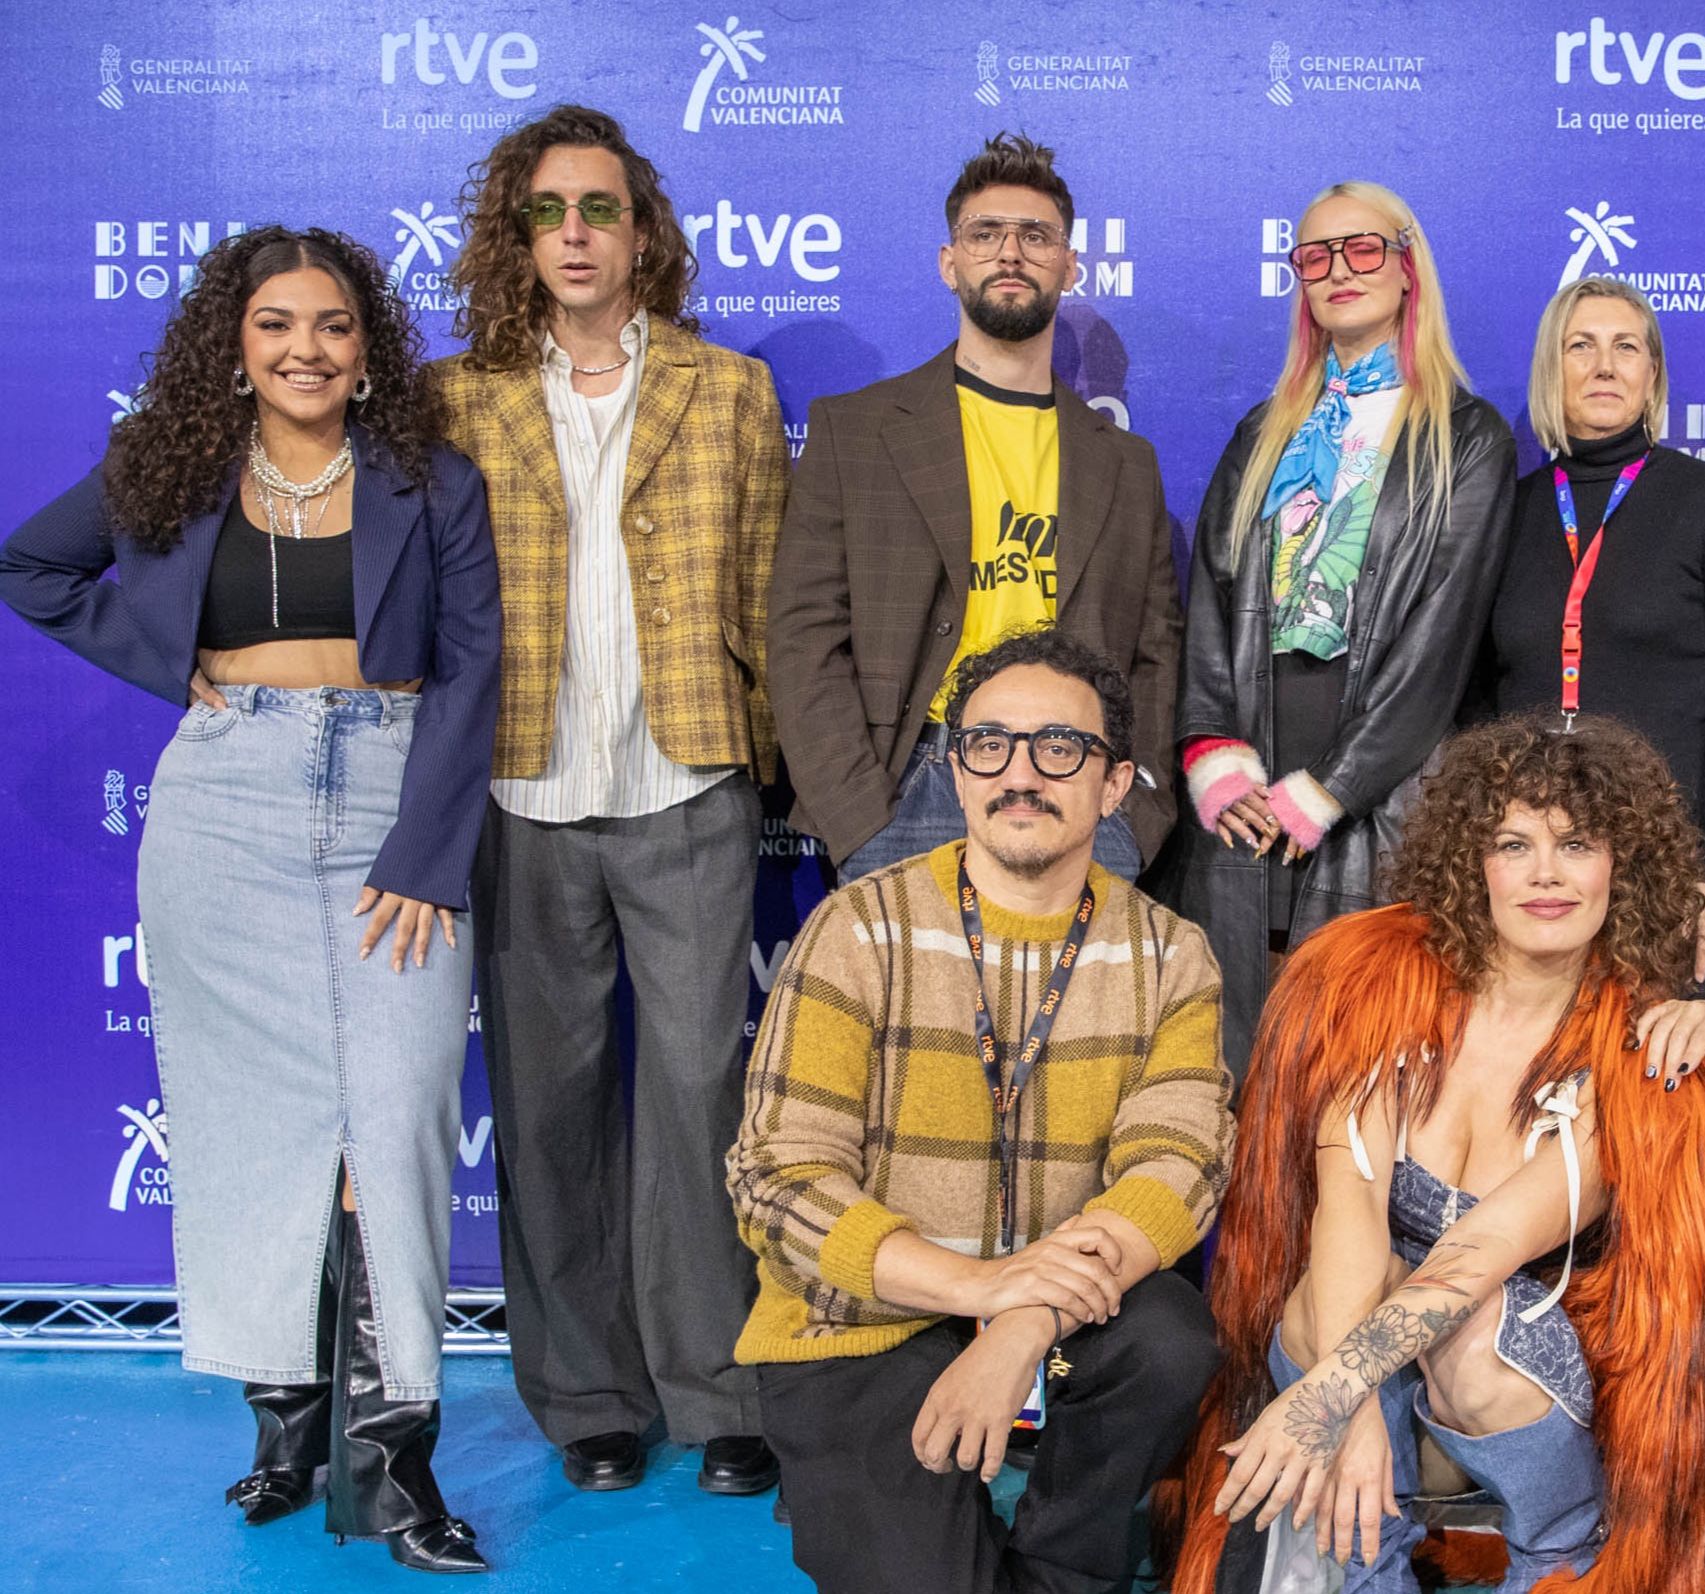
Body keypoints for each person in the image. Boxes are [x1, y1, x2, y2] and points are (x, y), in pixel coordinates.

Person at [0, 227, 498, 1574]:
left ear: (367, 346)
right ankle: (288, 1431)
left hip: (391, 792)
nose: (305, 349)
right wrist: (168, 661)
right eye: (276, 324)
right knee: (250, 1129)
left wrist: (425, 852)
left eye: (332, 324)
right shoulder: (160, 464)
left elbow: (474, 667)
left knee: (393, 1120)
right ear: (235, 341)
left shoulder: (428, 476)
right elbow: (31, 567)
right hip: (225, 805)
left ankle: (393, 1464)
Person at [1167, 715, 1705, 1594]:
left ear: (1623, 868)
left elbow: (1478, 1255)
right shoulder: (1380, 991)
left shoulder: (1631, 1057)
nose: (1545, 874)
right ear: (1471, 862)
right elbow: (1348, 1209)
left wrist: (1328, 1393)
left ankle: (1560, 1559)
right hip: (1366, 1343)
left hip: (1507, 1373)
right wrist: (1347, 1408)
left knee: (1478, 1332)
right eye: (1513, 843)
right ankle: (1366, 1571)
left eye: (1577, 844)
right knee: (1317, 1299)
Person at [430, 103, 787, 1498]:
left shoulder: (730, 388)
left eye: (598, 209)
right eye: (546, 212)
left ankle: (718, 1387)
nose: (573, 234)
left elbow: (766, 583)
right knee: (548, 1101)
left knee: (700, 1094)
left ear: (643, 231)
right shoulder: (457, 398)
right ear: (515, 236)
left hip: (686, 776)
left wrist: (776, 760)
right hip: (520, 785)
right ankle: (586, 1395)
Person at [729, 628, 1231, 1594]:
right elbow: (778, 1182)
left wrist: (1021, 1319)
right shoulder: (854, 928)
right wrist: (979, 1289)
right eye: (989, 746)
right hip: (871, 1314)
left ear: (1114, 785)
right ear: (956, 775)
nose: (1020, 774)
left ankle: (1066, 1566)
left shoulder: (1172, 954)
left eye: (1059, 747)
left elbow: (1179, 1167)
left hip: (1069, 1313)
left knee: (1167, 1342)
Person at [1170, 180, 1517, 1072]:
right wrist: (1215, 757)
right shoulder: (1263, 432)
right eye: (1314, 256)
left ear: (1406, 268)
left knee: (1363, 1070)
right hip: (1251, 789)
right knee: (1239, 1065)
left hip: (1381, 790)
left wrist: (1331, 787)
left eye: (1362, 248)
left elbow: (1441, 640)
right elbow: (1210, 598)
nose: (1338, 270)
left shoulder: (1466, 437)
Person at [769, 131, 1180, 882]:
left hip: (1078, 789)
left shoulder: (1126, 463)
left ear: (1070, 265)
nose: (1010, 253)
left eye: (1036, 236)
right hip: (909, 787)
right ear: (949, 261)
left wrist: (1137, 811)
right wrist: (856, 814)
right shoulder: (854, 431)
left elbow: (1155, 657)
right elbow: (803, 636)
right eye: (985, 234)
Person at [1473, 275, 1705, 1023]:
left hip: (1678, 864)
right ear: (1551, 369)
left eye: (1626, 348)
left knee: (1669, 1078)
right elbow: (1476, 699)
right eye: (1580, 346)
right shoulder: (1507, 510)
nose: (1604, 366)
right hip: (1540, 871)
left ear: (1652, 374)